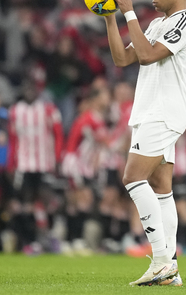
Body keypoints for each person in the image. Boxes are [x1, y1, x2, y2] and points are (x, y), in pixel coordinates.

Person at [105, 0, 186, 286]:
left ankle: (161, 260)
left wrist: (130, 11)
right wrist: (110, 17)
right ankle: (169, 268)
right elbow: (123, 59)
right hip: (150, 111)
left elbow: (146, 56)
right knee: (162, 189)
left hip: (162, 112)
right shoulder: (158, 23)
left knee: (132, 178)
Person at [7, 81, 64, 254]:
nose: (29, 91)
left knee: (49, 200)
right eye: (26, 88)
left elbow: (58, 134)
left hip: (45, 163)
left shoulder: (49, 109)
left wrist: (57, 157)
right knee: (27, 203)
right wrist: (11, 163)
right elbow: (13, 138)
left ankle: (50, 235)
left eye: (32, 88)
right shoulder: (15, 111)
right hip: (24, 164)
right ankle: (33, 241)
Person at [60, 87, 112, 256]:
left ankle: (72, 240)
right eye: (105, 95)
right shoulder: (90, 119)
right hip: (76, 163)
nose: (108, 99)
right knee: (81, 200)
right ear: (95, 99)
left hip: (83, 166)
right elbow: (105, 142)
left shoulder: (93, 118)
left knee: (79, 202)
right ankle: (73, 241)